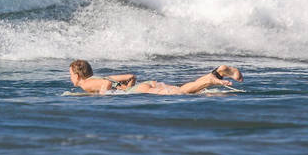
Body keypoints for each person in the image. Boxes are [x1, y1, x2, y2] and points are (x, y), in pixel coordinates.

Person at [69, 59, 243, 95]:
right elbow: (130, 76)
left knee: (181, 92)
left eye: (70, 75)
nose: (70, 78)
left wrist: (104, 95)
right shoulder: (98, 77)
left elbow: (106, 84)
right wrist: (129, 87)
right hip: (143, 86)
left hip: (140, 90)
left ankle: (211, 80)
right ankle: (218, 72)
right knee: (181, 90)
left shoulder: (86, 84)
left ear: (77, 75)